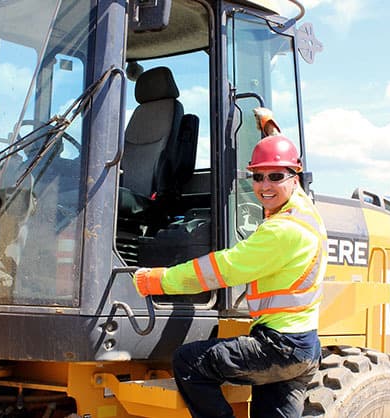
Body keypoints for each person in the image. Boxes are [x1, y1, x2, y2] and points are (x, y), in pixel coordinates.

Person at [133, 133, 327, 417]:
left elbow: (223, 269)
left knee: (188, 362)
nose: (265, 186)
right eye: (258, 177)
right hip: (304, 349)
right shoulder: (306, 211)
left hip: (279, 346)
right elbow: (284, 167)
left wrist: (157, 280)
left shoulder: (282, 231)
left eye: (275, 177)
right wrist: (270, 130)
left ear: (294, 178)